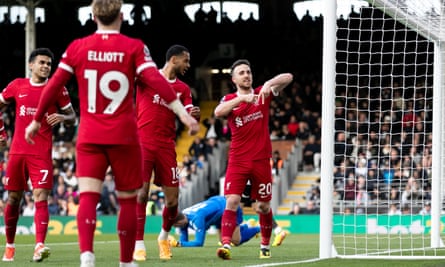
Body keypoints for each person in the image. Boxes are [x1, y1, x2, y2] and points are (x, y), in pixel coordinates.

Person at [24, 1, 199, 267]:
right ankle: (126, 261)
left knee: (88, 197)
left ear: (92, 16)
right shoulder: (134, 47)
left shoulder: (76, 47)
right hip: (125, 137)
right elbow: (157, 82)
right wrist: (183, 113)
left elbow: (54, 85)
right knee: (130, 199)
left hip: (90, 135)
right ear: (122, 15)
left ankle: (87, 260)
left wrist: (36, 120)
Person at [1, 47, 76, 262]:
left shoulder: (57, 88)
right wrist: (1, 132)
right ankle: (10, 246)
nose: (45, 66)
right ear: (31, 65)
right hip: (17, 152)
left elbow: (72, 116)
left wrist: (62, 117)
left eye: (48, 64)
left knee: (41, 196)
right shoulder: (17, 85)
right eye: (41, 62)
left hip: (41, 153)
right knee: (14, 198)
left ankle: (39, 246)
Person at [214, 59, 293, 260]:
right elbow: (218, 112)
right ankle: (225, 245)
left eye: (248, 72)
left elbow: (289, 77)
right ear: (234, 79)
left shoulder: (262, 93)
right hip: (238, 160)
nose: (246, 75)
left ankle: (265, 246)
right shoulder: (230, 98)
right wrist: (242, 100)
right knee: (232, 200)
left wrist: (269, 83)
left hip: (260, 160)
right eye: (241, 73)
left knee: (263, 206)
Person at [133, 44, 200, 261]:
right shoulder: (147, 78)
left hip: (166, 146)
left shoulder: (183, 89)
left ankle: (163, 237)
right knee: (141, 194)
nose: (188, 65)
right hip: (142, 142)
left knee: (172, 202)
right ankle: (138, 244)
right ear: (174, 59)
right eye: (186, 60)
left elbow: (188, 112)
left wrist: (194, 117)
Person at [169, 195, 260, 247]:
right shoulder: (182, 215)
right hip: (218, 209)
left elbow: (199, 242)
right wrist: (180, 243)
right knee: (223, 240)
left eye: (175, 225)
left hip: (228, 207)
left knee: (235, 241)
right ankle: (245, 226)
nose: (175, 228)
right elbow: (184, 240)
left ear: (179, 222)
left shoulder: (197, 219)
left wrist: (178, 244)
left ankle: (257, 228)